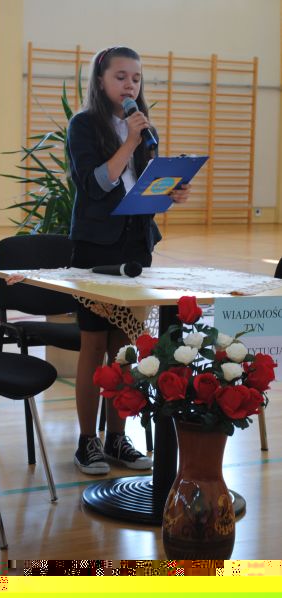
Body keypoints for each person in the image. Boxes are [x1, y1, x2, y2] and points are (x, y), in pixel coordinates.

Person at [66, 46, 190, 475]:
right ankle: (87, 441)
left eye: (136, 78)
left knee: (123, 348)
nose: (130, 85)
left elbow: (141, 191)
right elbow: (96, 184)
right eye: (120, 77)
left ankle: (117, 438)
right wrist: (131, 141)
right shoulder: (84, 125)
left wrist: (170, 191)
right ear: (101, 80)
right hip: (95, 249)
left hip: (135, 246)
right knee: (93, 345)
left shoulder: (143, 129)